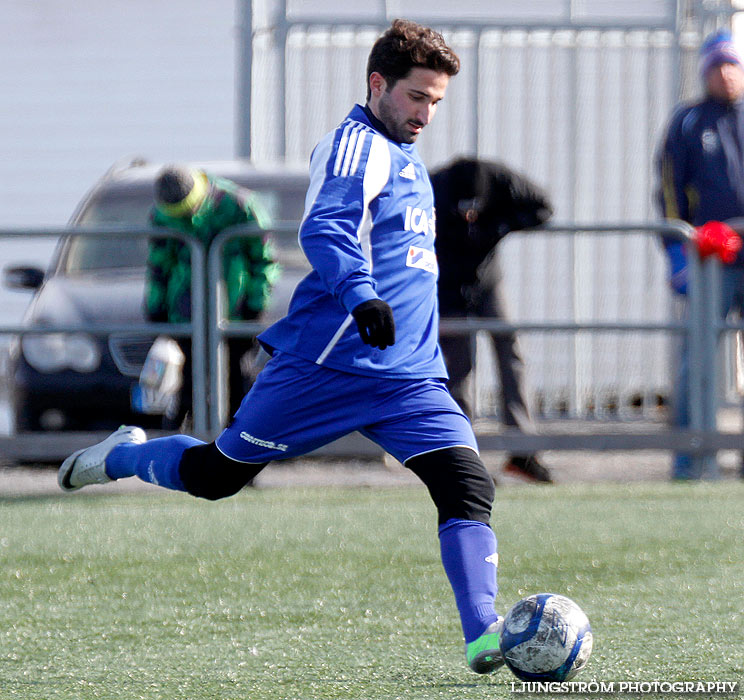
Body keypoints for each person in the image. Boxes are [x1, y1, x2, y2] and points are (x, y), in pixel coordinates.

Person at [58, 19, 508, 675]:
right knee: (217, 477)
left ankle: (483, 635)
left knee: (467, 485)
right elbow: (325, 228)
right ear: (378, 83)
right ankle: (127, 456)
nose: (426, 113)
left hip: (409, 375)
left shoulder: (408, 155)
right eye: (417, 97)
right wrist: (362, 296)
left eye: (436, 101)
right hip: (327, 364)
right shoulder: (356, 145)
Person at [431, 157, 553, 483]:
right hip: (448, 285)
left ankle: (523, 450)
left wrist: (499, 226)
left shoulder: (501, 179)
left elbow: (543, 207)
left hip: (487, 281)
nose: (469, 215)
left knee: (510, 350)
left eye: (475, 208)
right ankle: (462, 455)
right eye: (463, 210)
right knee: (457, 367)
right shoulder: (432, 187)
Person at [656, 28, 744, 479]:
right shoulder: (688, 121)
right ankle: (691, 461)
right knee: (698, 359)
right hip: (712, 262)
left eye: (733, 65)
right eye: (717, 66)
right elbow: (669, 190)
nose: (726, 75)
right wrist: (677, 250)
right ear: (706, 72)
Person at [145, 166, 278, 427]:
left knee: (238, 376)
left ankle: (243, 439)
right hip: (185, 309)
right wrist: (155, 306)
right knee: (188, 379)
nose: (183, 218)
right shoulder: (161, 215)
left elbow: (264, 260)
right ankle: (186, 445)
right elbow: (159, 265)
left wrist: (256, 304)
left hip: (235, 308)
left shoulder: (239, 205)